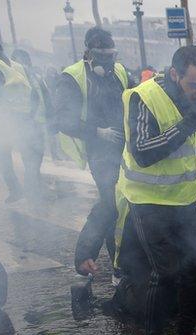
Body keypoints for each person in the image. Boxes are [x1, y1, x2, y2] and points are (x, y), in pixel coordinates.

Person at [115, 45, 196, 335]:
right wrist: (187, 124)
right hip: (149, 202)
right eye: (194, 85)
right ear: (175, 74)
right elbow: (143, 151)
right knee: (164, 275)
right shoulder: (144, 97)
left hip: (183, 199)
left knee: (192, 271)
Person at [54, 27, 132, 277]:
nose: (109, 61)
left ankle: (123, 258)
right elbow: (63, 120)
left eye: (112, 55)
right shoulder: (73, 77)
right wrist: (98, 132)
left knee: (126, 202)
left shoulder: (118, 71)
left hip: (125, 147)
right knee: (112, 203)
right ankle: (115, 263)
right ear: (89, 53)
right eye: (103, 55)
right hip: (99, 150)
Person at [0, 33, 43, 203]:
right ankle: (32, 190)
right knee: (29, 156)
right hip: (26, 118)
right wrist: (30, 115)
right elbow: (34, 94)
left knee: (3, 156)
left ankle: (15, 190)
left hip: (7, 120)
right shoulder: (20, 67)